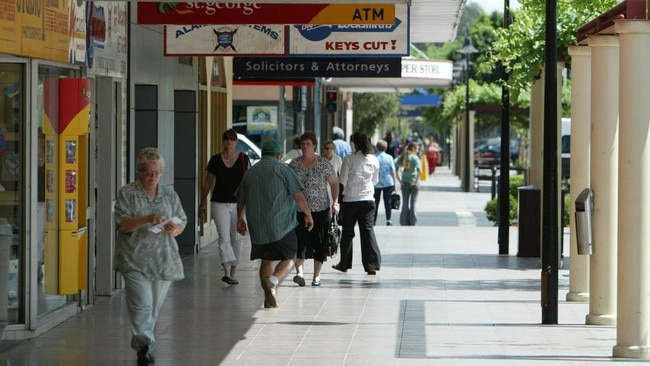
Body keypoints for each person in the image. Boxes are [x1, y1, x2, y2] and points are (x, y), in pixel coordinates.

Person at [114, 147, 187, 366]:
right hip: (133, 259)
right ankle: (144, 346)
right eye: (148, 172)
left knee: (153, 307)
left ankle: (146, 342)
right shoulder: (127, 193)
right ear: (139, 171)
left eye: (157, 172)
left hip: (162, 259)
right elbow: (122, 224)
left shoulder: (169, 194)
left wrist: (175, 229)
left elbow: (181, 220)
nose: (153, 176)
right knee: (141, 304)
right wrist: (146, 218)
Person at [235, 139, 314, 308]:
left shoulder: (250, 172)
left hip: (258, 226)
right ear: (278, 155)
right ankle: (273, 281)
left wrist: (239, 218)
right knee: (290, 257)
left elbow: (240, 199)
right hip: (281, 224)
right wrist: (308, 214)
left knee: (266, 259)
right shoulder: (283, 170)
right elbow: (298, 196)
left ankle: (268, 296)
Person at [199, 128, 251, 286]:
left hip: (238, 204)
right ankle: (227, 271)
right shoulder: (215, 160)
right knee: (223, 237)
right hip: (219, 202)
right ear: (223, 141)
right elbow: (208, 182)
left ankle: (234, 271)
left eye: (232, 139)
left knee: (237, 237)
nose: (229, 142)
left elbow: (248, 182)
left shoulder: (243, 159)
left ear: (236, 142)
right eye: (226, 139)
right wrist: (202, 202)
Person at [288, 132, 339, 287]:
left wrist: (335, 202)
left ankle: (316, 276)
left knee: (320, 243)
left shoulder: (323, 163)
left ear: (314, 145)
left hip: (321, 209)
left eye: (308, 144)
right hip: (299, 210)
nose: (304, 147)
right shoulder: (294, 164)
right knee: (299, 242)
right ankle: (300, 273)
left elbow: (334, 183)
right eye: (302, 144)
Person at [332, 132, 382, 275]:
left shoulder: (349, 159)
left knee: (347, 233)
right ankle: (372, 264)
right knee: (368, 232)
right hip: (368, 200)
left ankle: (344, 264)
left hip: (350, 201)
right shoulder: (374, 160)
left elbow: (342, 181)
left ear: (355, 143)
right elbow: (375, 181)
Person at [395, 142, 422, 226]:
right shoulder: (415, 158)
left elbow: (395, 169)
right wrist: (415, 181)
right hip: (414, 183)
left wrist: (400, 181)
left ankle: (404, 221)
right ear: (413, 148)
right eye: (417, 148)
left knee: (405, 202)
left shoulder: (402, 156)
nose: (417, 150)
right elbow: (420, 171)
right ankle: (413, 221)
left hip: (404, 183)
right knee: (413, 202)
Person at [373, 139, 397, 226]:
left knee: (375, 202)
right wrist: (395, 183)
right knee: (388, 201)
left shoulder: (374, 157)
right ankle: (388, 220)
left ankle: (373, 220)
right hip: (388, 182)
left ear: (377, 147)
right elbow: (393, 171)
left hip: (376, 183)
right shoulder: (389, 157)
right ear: (386, 148)